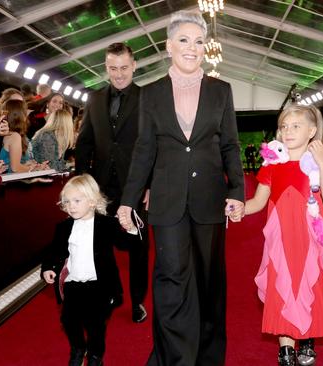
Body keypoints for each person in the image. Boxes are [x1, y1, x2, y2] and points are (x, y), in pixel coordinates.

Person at [117, 10, 245, 366]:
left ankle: (207, 357)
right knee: (171, 278)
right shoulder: (151, 94)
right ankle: (173, 359)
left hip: (210, 200)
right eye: (184, 40)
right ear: (169, 46)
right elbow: (144, 150)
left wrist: (236, 191)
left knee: (208, 281)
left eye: (199, 41)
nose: (193, 48)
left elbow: (230, 146)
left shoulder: (222, 91)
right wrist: (128, 201)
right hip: (167, 201)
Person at [243, 104, 323, 366]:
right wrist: (238, 208)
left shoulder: (315, 164)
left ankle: (308, 336)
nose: (288, 131)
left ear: (312, 131)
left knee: (311, 284)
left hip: (311, 239)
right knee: (282, 287)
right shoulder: (271, 165)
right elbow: (257, 202)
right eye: (284, 126)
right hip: (281, 240)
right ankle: (286, 349)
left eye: (295, 126)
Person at [75, 42, 150, 324]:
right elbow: (84, 144)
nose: (118, 74)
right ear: (105, 68)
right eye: (112, 68)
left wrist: (151, 184)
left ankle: (138, 301)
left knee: (139, 249)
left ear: (134, 66)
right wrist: (82, 184)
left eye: (123, 68)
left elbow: (156, 144)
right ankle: (113, 293)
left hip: (137, 187)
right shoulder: (93, 99)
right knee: (100, 247)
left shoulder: (148, 97)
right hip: (101, 189)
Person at [41, 174, 124, 366]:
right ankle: (78, 348)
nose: (71, 206)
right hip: (73, 284)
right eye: (67, 201)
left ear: (92, 201)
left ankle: (95, 355)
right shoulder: (64, 227)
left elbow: (125, 244)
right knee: (69, 321)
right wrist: (47, 268)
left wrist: (130, 229)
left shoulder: (107, 224)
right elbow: (53, 252)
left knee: (96, 326)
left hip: (100, 286)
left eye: (77, 200)